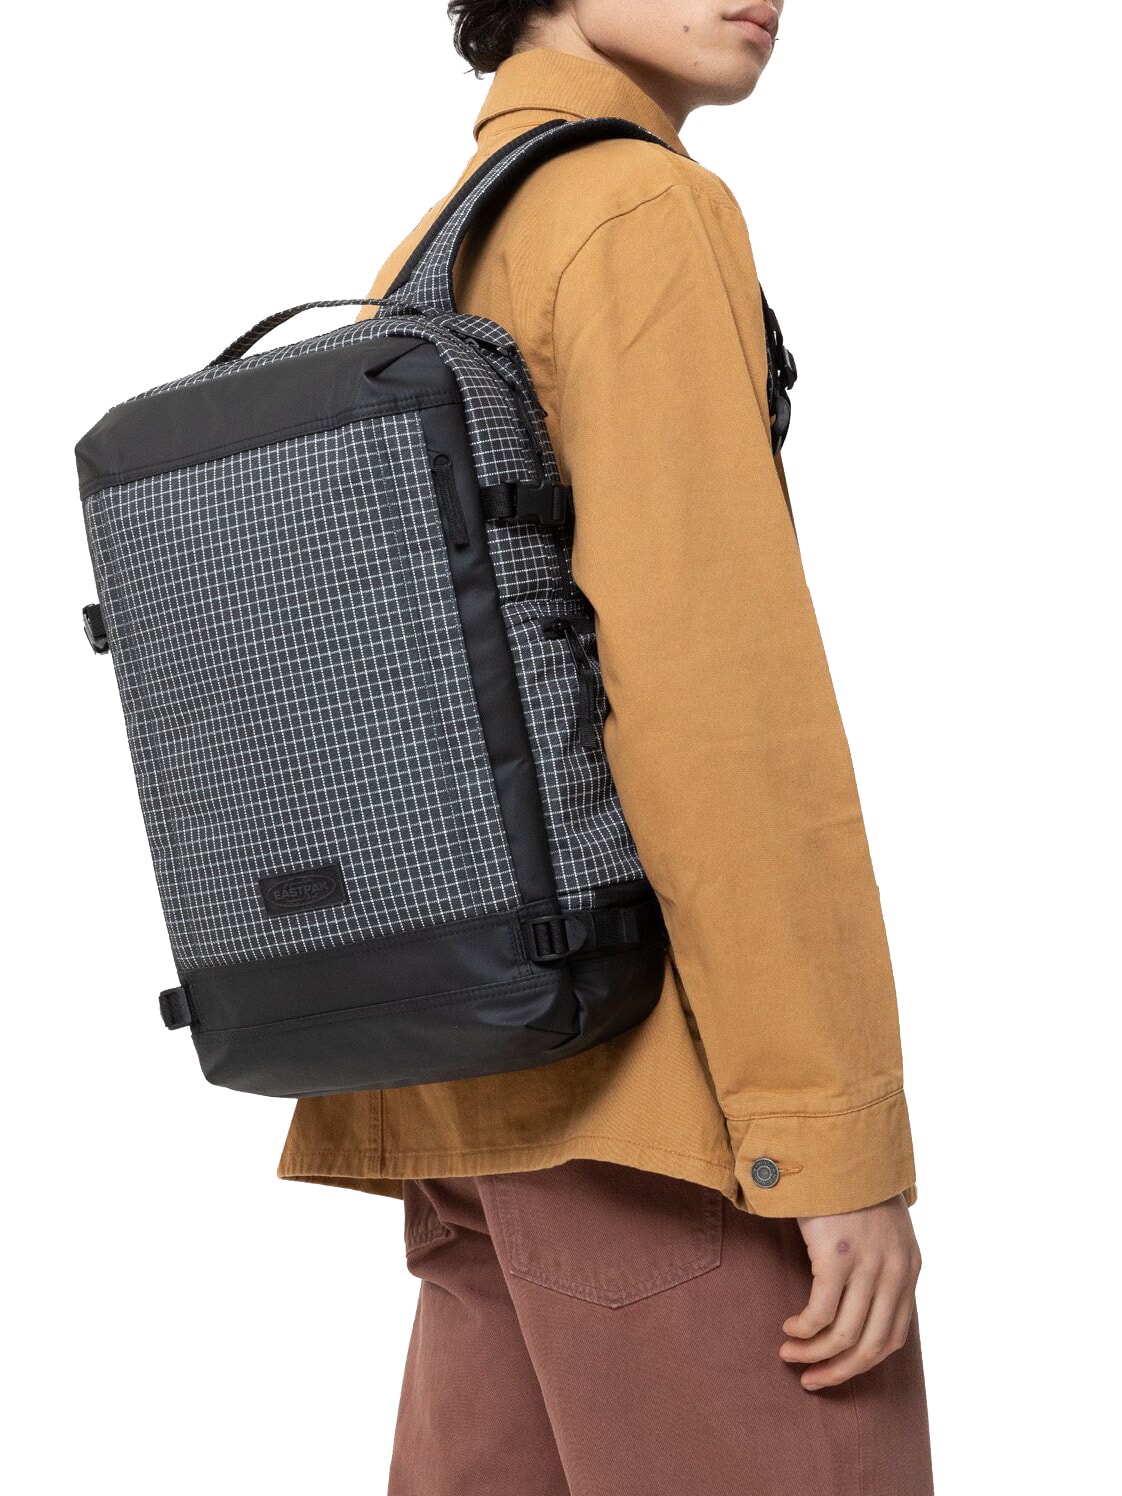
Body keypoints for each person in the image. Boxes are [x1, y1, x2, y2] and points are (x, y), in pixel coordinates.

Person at [277, 3, 934, 1490]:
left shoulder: (435, 252)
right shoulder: (635, 206)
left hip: (478, 1082)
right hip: (669, 1116)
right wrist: (824, 1138)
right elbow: (715, 700)